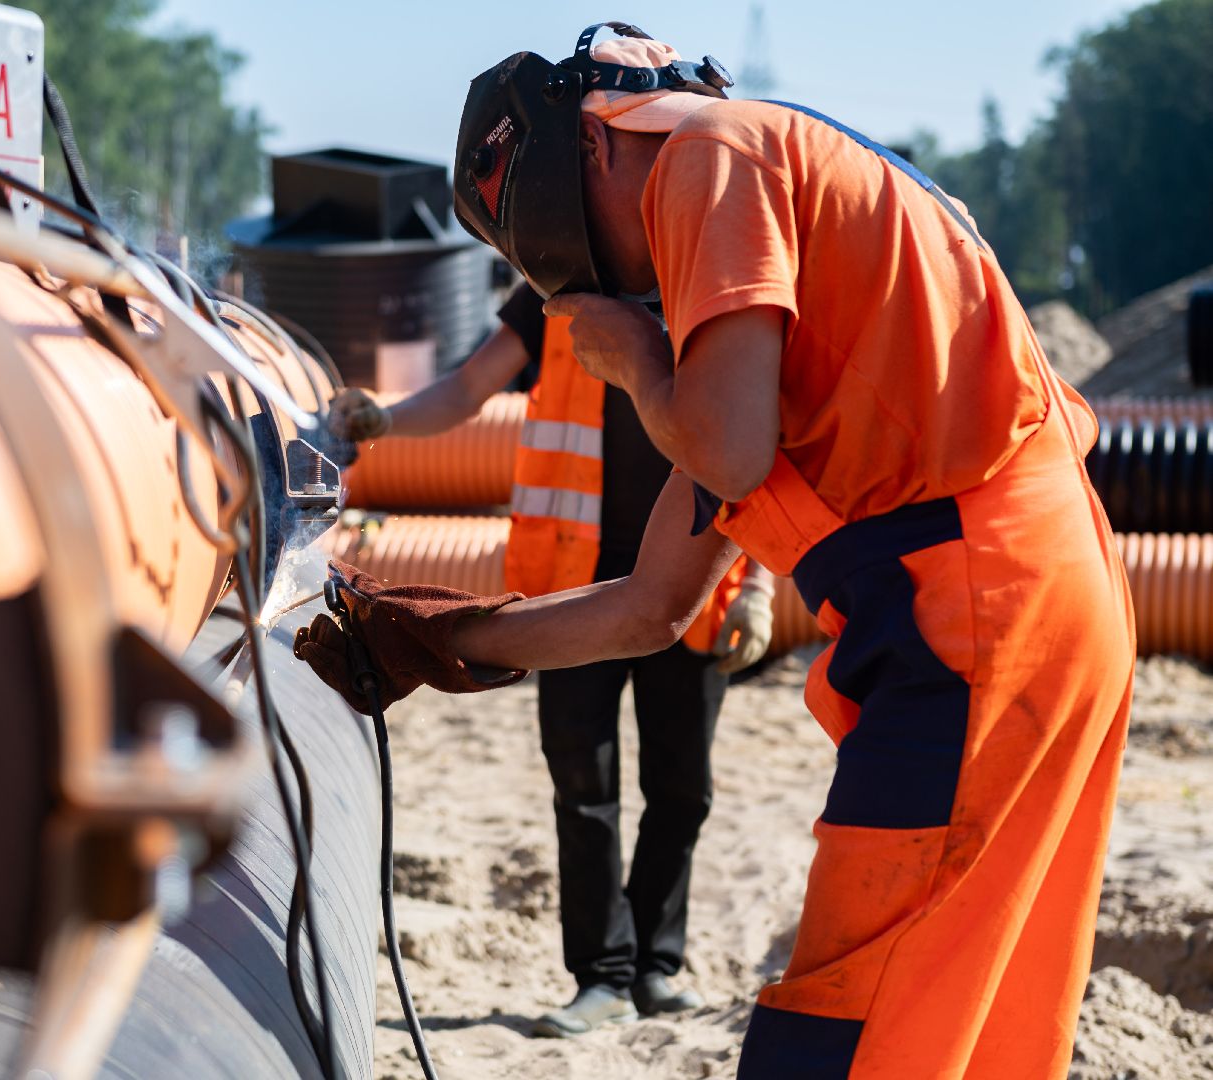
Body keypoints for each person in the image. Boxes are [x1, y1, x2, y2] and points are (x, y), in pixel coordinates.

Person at [296, 21, 1134, 1079]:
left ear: (591, 148)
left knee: (840, 1037)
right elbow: (648, 606)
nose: (573, 283)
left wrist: (642, 370)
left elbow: (728, 458)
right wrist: (445, 639)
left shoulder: (711, 156)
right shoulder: (781, 240)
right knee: (960, 1027)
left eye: (554, 245)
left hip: (974, 623)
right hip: (1030, 605)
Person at [328, 285, 776, 1035]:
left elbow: (757, 445)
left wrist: (758, 587)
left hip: (696, 587)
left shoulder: (711, 275)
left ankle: (655, 969)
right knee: (583, 780)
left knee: (681, 786)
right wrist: (387, 419)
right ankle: (601, 976)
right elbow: (471, 386)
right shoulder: (558, 284)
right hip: (577, 589)